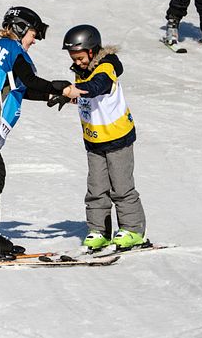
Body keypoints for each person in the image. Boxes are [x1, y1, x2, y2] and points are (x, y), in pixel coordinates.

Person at [0, 7, 84, 259]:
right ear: (21, 28)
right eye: (34, 33)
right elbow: (30, 81)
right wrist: (62, 88)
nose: (34, 40)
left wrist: (53, 93)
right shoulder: (14, 50)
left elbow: (22, 88)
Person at [61, 25, 147, 250]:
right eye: (73, 58)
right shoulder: (81, 71)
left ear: (91, 51)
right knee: (96, 189)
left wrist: (77, 91)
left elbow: (98, 86)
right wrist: (69, 97)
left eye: (80, 58)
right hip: (94, 140)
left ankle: (133, 230)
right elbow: (88, 96)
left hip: (118, 137)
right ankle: (98, 231)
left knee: (121, 187)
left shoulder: (106, 67)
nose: (77, 62)